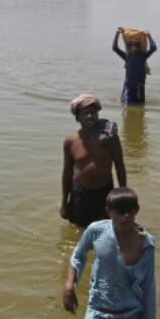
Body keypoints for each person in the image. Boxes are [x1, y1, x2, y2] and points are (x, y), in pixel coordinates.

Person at [62, 187, 160, 319]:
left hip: (130, 318)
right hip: (100, 314)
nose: (125, 217)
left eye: (130, 211)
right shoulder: (96, 231)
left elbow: (149, 288)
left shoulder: (146, 243)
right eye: (119, 212)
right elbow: (78, 255)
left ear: (137, 210)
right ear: (108, 211)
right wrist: (69, 286)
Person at [61, 94, 127, 228]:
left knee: (106, 229)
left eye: (93, 112)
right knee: (80, 230)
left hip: (105, 193)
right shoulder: (70, 141)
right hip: (80, 194)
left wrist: (123, 195)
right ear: (78, 117)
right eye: (85, 113)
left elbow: (120, 166)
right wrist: (63, 203)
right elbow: (67, 173)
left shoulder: (110, 139)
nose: (90, 116)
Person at [112, 27, 157, 105]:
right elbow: (115, 48)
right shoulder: (127, 56)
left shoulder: (143, 56)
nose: (134, 47)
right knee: (127, 103)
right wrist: (117, 34)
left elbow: (153, 48)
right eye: (132, 46)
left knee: (140, 104)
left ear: (140, 48)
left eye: (137, 46)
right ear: (129, 47)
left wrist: (149, 36)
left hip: (139, 85)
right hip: (128, 85)